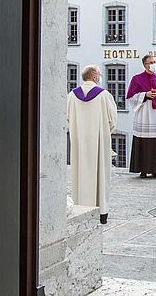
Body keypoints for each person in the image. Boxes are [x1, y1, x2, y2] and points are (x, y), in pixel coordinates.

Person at [68, 65, 118, 224]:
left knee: (80, 172)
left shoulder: (72, 95)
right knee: (100, 174)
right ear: (95, 77)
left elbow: (68, 117)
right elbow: (112, 120)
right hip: (99, 140)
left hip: (79, 141)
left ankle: (81, 207)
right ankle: (101, 211)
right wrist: (104, 132)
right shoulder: (104, 95)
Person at [125, 55, 156, 178]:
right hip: (144, 112)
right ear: (144, 64)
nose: (153, 64)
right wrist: (145, 94)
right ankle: (143, 169)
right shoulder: (137, 78)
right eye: (150, 62)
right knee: (143, 141)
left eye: (154, 62)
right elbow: (130, 97)